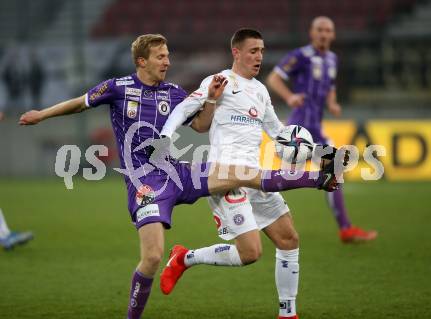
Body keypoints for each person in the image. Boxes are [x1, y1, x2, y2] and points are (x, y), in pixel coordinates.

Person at [19, 34, 337, 319]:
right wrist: (41, 115)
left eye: (168, 56)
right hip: (146, 181)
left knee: (276, 226)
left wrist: (211, 102)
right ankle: (318, 178)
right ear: (142, 61)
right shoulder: (119, 87)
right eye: (161, 56)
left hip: (178, 172)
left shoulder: (174, 91)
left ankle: (286, 309)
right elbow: (79, 104)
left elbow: (199, 125)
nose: (168, 62)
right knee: (154, 256)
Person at [160, 29, 307, 319]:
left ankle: (288, 313)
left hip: (253, 176)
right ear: (236, 53)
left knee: (289, 239)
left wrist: (308, 149)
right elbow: (184, 108)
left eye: (262, 51)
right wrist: (165, 136)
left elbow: (278, 133)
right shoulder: (219, 82)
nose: (259, 57)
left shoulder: (260, 91)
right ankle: (185, 257)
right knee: (250, 253)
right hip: (226, 177)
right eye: (253, 51)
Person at [266, 16, 377, 243]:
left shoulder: (333, 59)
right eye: (320, 30)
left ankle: (345, 228)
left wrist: (333, 103)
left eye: (328, 30)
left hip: (316, 127)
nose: (324, 34)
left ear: (333, 35)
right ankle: (260, 215)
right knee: (284, 175)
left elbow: (330, 86)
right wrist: (290, 96)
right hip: (298, 131)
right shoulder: (301, 56)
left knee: (334, 169)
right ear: (312, 33)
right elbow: (274, 77)